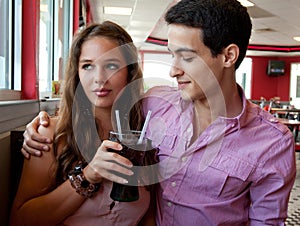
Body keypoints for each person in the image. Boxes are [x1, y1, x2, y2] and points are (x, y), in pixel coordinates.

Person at [21, 0, 296, 225]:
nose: (172, 70)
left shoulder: (272, 143)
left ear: (228, 56)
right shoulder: (152, 106)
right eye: (171, 55)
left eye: (186, 57)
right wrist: (43, 123)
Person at [10, 21, 156, 226]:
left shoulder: (145, 132)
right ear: (77, 73)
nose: (99, 78)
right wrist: (87, 175)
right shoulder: (49, 134)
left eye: (112, 66)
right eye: (88, 65)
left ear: (129, 72)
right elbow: (19, 220)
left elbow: (149, 215)